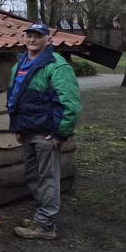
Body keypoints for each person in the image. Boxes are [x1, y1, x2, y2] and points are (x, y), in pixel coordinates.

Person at [6, 23, 81, 240]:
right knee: (32, 175)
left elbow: (71, 105)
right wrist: (17, 126)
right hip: (28, 130)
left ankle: (46, 225)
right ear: (24, 38)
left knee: (47, 177)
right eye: (29, 35)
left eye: (38, 36)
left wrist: (59, 134)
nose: (32, 40)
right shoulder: (20, 63)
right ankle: (42, 216)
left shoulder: (56, 66)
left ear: (48, 40)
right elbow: (15, 97)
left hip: (46, 133)